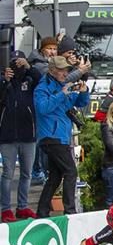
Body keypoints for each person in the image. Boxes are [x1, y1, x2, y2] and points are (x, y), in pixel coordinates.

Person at [33, 55, 89, 216]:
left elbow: (78, 102)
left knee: (55, 176)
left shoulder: (62, 84)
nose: (65, 73)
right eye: (62, 70)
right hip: (51, 136)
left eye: (66, 70)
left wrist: (83, 92)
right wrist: (61, 94)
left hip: (60, 136)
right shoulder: (42, 87)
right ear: (52, 71)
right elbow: (42, 108)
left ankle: (42, 211)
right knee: (71, 171)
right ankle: (69, 211)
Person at [0, 50, 39, 221]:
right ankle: (6, 208)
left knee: (27, 173)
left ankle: (22, 207)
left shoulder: (30, 80)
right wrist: (4, 80)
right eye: (14, 62)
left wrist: (29, 67)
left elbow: (41, 80)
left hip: (28, 135)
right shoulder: (4, 80)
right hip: (7, 136)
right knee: (7, 173)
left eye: (19, 62)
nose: (17, 66)